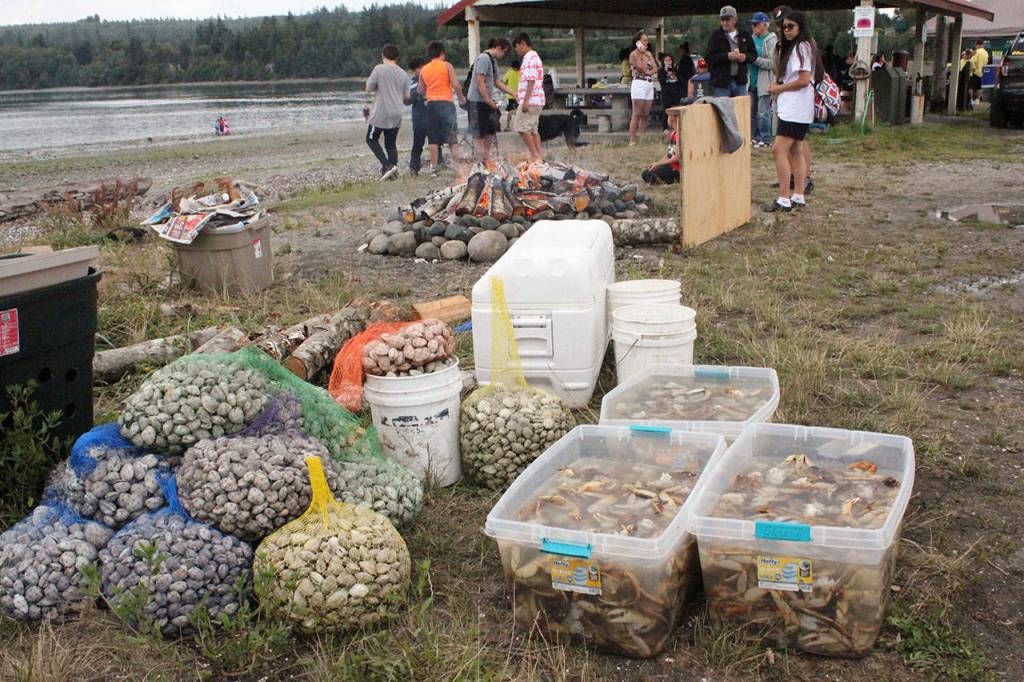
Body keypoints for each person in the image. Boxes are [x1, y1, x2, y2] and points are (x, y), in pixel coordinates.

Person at [765, 10, 821, 212]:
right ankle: (798, 195)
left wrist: (778, 88)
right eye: (783, 27)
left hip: (795, 107)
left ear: (800, 27)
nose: (786, 30)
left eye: (790, 26)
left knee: (779, 150)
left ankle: (784, 198)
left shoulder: (801, 48)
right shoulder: (800, 47)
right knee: (795, 150)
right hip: (796, 107)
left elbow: (803, 80)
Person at [418, 41, 466, 176]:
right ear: (442, 53)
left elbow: (420, 90)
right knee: (452, 138)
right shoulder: (447, 66)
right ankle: (458, 168)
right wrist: (461, 98)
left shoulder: (424, 69)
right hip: (446, 102)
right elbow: (456, 85)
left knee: (433, 139)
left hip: (431, 104)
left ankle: (434, 169)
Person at [365, 43, 409, 181]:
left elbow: (369, 88)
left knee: (371, 139)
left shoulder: (379, 69)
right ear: (397, 57)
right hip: (397, 111)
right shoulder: (404, 73)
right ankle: (394, 173)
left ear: (383, 55)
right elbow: (407, 96)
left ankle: (387, 165)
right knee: (391, 143)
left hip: (382, 111)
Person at [468, 37, 514, 163]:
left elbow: (497, 82)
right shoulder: (483, 58)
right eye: (505, 52)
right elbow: (479, 81)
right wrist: (488, 100)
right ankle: (479, 162)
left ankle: (486, 159)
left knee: (489, 131)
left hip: (487, 101)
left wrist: (513, 93)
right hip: (477, 101)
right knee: (479, 133)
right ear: (499, 47)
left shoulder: (493, 61)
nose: (504, 55)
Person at [707, 5, 758, 98]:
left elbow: (754, 54)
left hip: (740, 82)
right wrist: (727, 56)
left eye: (727, 19)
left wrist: (745, 57)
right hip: (721, 84)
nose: (724, 23)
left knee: (741, 111)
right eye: (722, 20)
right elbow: (709, 58)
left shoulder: (745, 34)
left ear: (735, 19)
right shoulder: (716, 36)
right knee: (723, 111)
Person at [513, 33, 545, 163]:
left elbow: (531, 80)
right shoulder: (535, 57)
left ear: (523, 44)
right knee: (532, 129)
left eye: (517, 47)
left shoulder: (529, 58)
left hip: (531, 100)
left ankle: (535, 155)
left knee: (520, 127)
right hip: (537, 99)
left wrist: (525, 100)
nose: (517, 50)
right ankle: (539, 155)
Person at [407, 57, 442, 175]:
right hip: (419, 117)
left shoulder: (431, 78)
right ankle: (414, 167)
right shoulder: (412, 83)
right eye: (417, 69)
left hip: (432, 115)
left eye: (421, 68)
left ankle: (439, 165)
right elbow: (410, 99)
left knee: (435, 142)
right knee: (418, 143)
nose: (420, 71)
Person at [749, 11, 776, 148]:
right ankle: (754, 136)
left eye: (755, 24)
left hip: (764, 81)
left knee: (763, 112)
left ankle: (766, 138)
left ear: (764, 25)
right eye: (752, 25)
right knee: (752, 112)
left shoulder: (772, 41)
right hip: (751, 81)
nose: (753, 27)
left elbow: (772, 63)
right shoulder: (752, 39)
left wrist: (754, 59)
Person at [629, 31, 658, 145]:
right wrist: (641, 55)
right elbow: (640, 68)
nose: (646, 42)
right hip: (639, 83)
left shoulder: (649, 54)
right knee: (637, 112)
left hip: (648, 83)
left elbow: (655, 68)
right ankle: (632, 139)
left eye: (647, 40)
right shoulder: (634, 54)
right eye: (644, 40)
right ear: (638, 42)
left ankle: (643, 137)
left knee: (645, 113)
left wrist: (649, 72)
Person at [641, 111, 681, 185]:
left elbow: (677, 157)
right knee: (645, 173)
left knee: (652, 175)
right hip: (670, 164)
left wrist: (659, 164)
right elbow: (669, 154)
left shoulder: (680, 135)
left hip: (676, 169)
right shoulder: (673, 134)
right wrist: (657, 163)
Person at [658, 53, 684, 128]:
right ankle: (665, 128)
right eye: (666, 60)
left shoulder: (676, 69)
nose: (668, 62)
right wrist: (666, 74)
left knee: (676, 109)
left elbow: (681, 80)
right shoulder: (661, 71)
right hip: (666, 93)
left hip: (675, 92)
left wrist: (675, 76)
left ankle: (676, 126)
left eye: (669, 60)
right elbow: (661, 81)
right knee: (666, 110)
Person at [502, 58, 521, 130]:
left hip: (510, 95)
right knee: (519, 110)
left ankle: (508, 126)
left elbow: (504, 83)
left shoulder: (509, 72)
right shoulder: (521, 72)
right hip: (519, 95)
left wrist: (504, 89)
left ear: (512, 67)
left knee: (510, 111)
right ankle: (519, 125)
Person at [970, 40, 989, 105]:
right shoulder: (986, 53)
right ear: (982, 45)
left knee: (971, 87)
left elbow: (972, 61)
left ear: (977, 45)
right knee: (979, 87)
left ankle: (971, 99)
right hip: (982, 72)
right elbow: (986, 62)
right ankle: (977, 100)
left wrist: (973, 69)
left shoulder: (976, 52)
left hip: (975, 71)